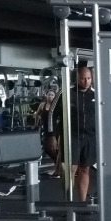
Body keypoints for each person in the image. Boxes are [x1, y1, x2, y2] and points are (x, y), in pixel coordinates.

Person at [55, 65, 96, 201]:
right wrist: (53, 135)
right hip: (72, 136)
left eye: (89, 78)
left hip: (90, 138)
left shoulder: (95, 95)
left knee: (85, 169)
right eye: (83, 78)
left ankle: (82, 202)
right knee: (70, 170)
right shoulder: (67, 94)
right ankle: (68, 201)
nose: (86, 81)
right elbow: (54, 115)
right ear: (77, 78)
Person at [34, 88, 61, 175]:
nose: (50, 96)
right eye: (49, 95)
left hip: (54, 130)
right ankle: (58, 166)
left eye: (52, 95)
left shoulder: (56, 106)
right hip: (46, 129)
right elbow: (37, 114)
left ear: (55, 96)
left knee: (54, 149)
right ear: (46, 95)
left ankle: (59, 168)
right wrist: (36, 124)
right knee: (46, 148)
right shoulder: (42, 105)